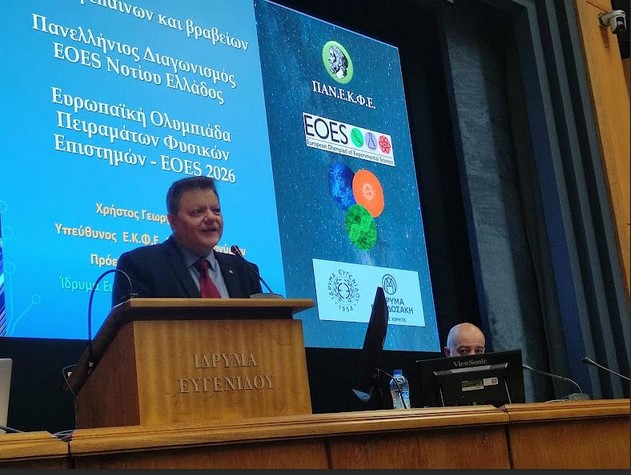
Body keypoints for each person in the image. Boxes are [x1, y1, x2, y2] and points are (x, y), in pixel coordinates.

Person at [111, 176, 262, 305]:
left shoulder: (245, 271)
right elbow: (132, 328)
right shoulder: (140, 265)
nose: (211, 217)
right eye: (198, 212)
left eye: (216, 210)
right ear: (173, 222)